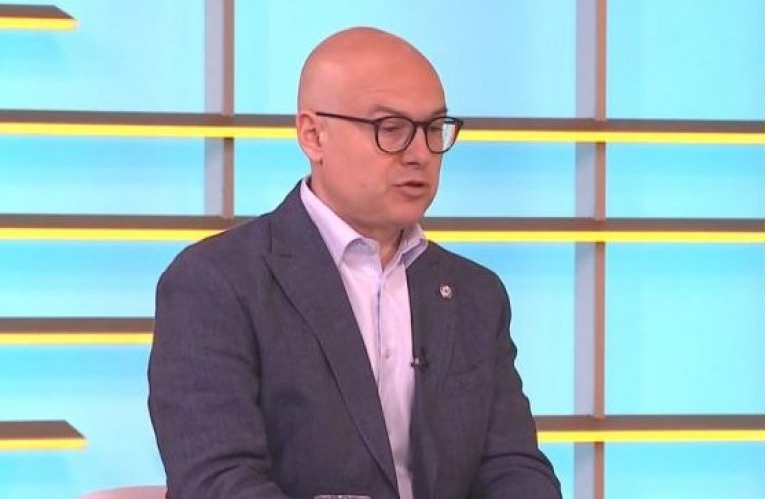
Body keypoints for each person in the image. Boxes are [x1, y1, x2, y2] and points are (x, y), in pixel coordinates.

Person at [148, 27, 561, 499]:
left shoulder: (475, 294)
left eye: (434, 129)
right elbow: (218, 482)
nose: (420, 154)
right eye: (391, 129)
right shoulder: (217, 283)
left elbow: (513, 467)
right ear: (313, 135)